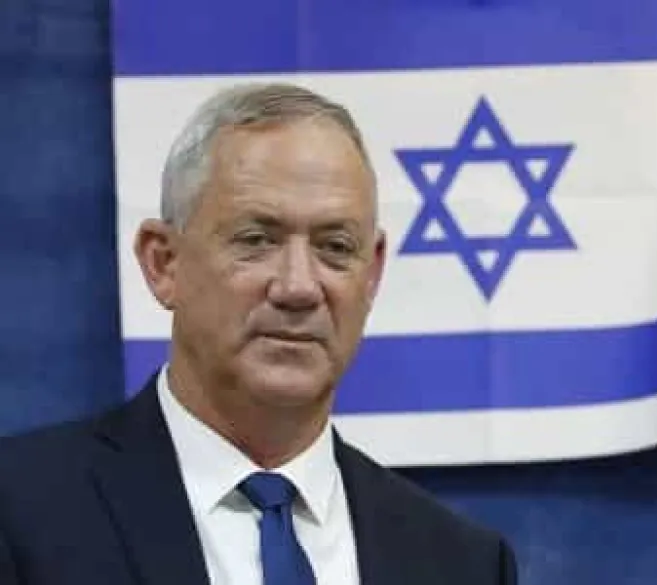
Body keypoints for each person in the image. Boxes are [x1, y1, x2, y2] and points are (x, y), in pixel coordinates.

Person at [0, 82, 518, 585]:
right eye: (256, 240)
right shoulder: (22, 514)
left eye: (335, 247)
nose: (298, 287)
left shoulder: (462, 564)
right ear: (164, 263)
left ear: (373, 275)